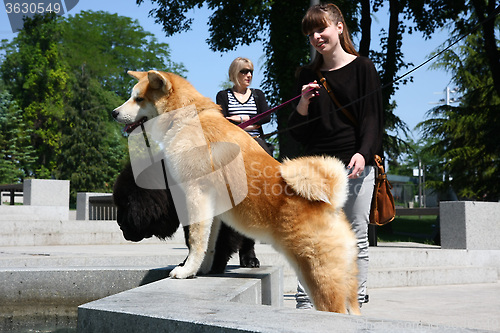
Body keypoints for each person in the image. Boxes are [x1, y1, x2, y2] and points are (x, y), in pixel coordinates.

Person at [288, 3, 383, 309]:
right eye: (311, 32)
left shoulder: (363, 68)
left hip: (356, 165)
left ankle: (354, 301)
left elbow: (372, 119)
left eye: (322, 28)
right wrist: (302, 104)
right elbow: (298, 133)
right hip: (316, 169)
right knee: (311, 236)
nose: (316, 36)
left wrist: (363, 153)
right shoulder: (306, 74)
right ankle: (306, 303)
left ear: (339, 27)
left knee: (355, 235)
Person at [216, 57, 273, 155]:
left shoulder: (258, 94)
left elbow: (266, 117)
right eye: (244, 72)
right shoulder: (223, 95)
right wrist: (253, 124)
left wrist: (242, 119)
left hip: (257, 143)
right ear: (234, 72)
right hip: (233, 145)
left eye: (251, 72)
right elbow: (223, 122)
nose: (249, 75)